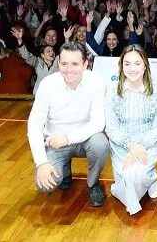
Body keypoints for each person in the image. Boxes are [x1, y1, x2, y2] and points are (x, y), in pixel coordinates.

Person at [27, 41, 108, 207]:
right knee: (43, 185)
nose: (69, 70)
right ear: (58, 63)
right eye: (64, 64)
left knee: (100, 143)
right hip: (55, 143)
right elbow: (34, 125)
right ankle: (64, 170)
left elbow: (98, 123)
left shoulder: (97, 83)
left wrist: (67, 138)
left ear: (86, 64)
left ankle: (93, 184)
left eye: (75, 64)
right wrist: (41, 162)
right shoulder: (47, 85)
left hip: (84, 139)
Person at [105, 44, 157, 215]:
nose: (132, 68)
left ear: (145, 65)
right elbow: (111, 129)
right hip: (121, 146)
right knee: (128, 176)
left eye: (137, 63)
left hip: (149, 145)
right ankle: (149, 179)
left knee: (134, 176)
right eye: (127, 64)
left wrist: (140, 146)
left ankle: (148, 178)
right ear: (121, 66)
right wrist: (130, 145)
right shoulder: (112, 93)